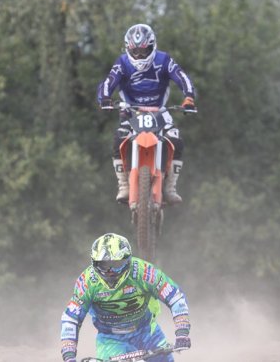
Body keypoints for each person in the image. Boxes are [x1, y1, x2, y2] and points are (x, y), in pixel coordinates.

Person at [97, 24, 197, 204]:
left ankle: (170, 187)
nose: (139, 56)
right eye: (135, 52)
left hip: (160, 110)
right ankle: (123, 185)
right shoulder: (122, 63)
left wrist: (189, 97)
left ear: (152, 46)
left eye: (144, 51)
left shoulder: (164, 60)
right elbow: (108, 82)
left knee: (176, 139)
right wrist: (104, 98)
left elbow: (182, 77)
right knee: (119, 138)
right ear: (128, 48)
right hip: (130, 110)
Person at [60, 233, 191, 362]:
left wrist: (182, 331)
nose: (110, 272)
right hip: (111, 340)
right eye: (104, 265)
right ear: (94, 263)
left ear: (128, 260)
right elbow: (71, 318)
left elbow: (175, 297)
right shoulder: (87, 282)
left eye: (117, 264)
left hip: (146, 332)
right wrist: (69, 355)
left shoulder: (143, 272)